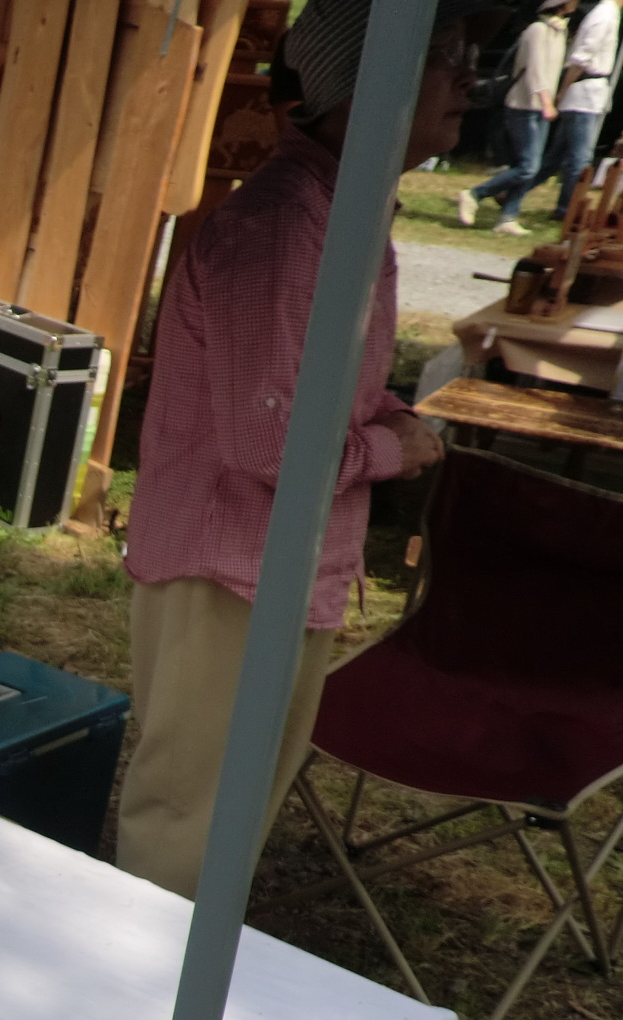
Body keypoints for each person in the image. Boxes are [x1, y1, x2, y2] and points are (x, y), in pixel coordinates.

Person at [113, 0, 482, 900]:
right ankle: (142, 973)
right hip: (231, 566)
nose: (469, 79)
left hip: (271, 563)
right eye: (445, 54)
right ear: (366, 83)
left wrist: (390, 414)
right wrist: (391, 449)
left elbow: (327, 386)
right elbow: (269, 443)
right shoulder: (284, 228)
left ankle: (171, 965)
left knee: (225, 814)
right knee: (188, 820)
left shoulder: (339, 212)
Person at [458, 0, 570, 235]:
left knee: (529, 166)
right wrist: (546, 101)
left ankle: (508, 216)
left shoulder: (559, 31)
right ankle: (474, 194)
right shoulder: (537, 30)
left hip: (540, 107)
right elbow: (535, 70)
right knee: (528, 167)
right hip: (524, 105)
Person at [541, 0, 618, 218]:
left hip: (590, 93)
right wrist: (563, 91)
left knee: (555, 158)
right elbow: (581, 59)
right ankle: (567, 208)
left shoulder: (609, 14)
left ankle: (509, 192)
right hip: (584, 94)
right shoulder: (604, 15)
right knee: (579, 158)